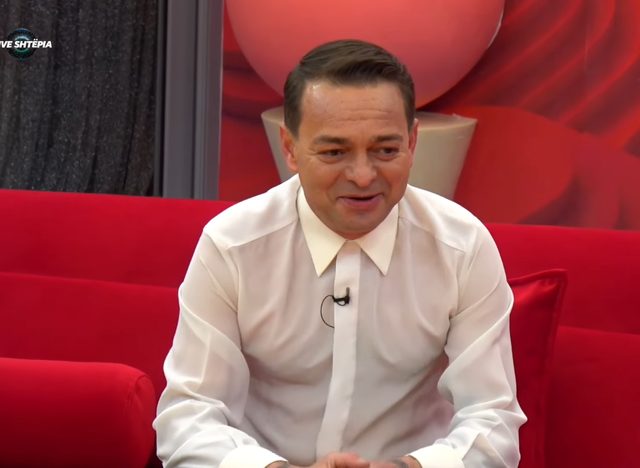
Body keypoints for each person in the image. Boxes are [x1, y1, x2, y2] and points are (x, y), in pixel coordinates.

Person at [154, 39, 526, 468]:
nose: (363, 176)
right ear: (290, 148)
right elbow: (187, 418)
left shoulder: (462, 247)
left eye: (385, 150)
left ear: (412, 143)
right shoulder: (232, 246)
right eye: (334, 152)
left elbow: (493, 421)